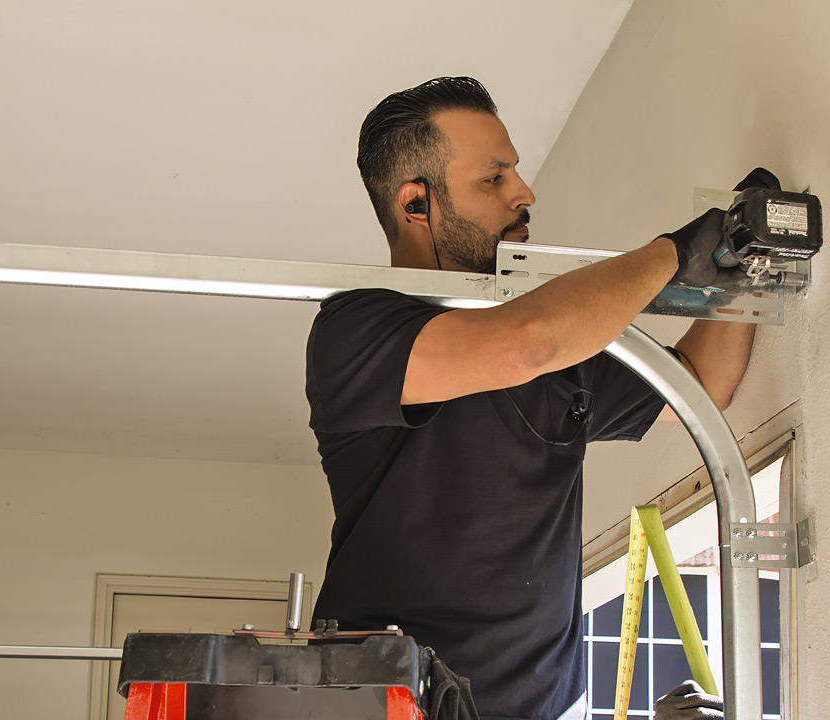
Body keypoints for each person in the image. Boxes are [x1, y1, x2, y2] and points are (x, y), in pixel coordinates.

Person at [304, 77, 755, 720]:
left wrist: (747, 264)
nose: (524, 194)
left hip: (542, 707)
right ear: (415, 204)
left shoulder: (562, 355)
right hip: (393, 704)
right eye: (494, 179)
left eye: (515, 172)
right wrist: (675, 253)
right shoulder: (356, 330)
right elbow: (528, 342)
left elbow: (698, 386)